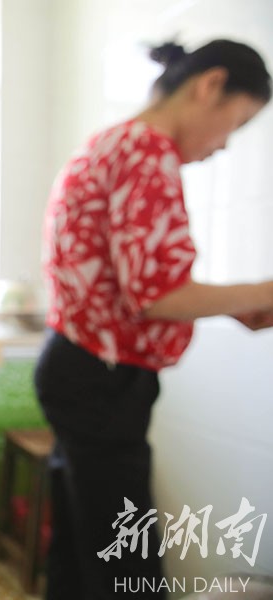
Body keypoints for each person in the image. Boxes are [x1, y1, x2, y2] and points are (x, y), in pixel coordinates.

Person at [36, 38, 273, 599]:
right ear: (210, 86)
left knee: (81, 552)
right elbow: (155, 293)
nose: (223, 145)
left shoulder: (114, 142)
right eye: (236, 124)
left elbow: (137, 287)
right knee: (127, 567)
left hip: (77, 364)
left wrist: (236, 303)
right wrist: (263, 291)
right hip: (100, 379)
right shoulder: (146, 149)